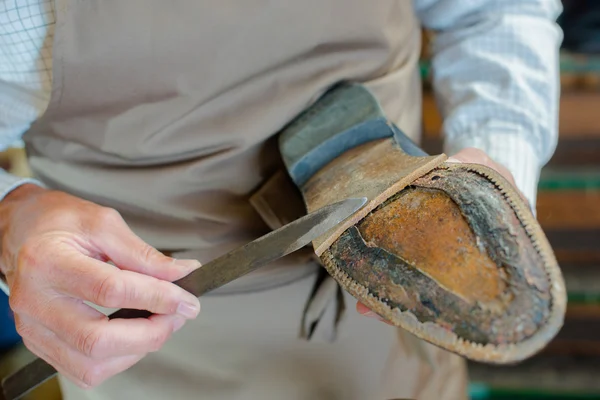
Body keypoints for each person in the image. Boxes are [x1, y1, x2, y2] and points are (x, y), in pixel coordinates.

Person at [0, 1, 562, 399]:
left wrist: (489, 187)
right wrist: (12, 220)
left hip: (408, 298)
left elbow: (493, 10)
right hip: (152, 352)